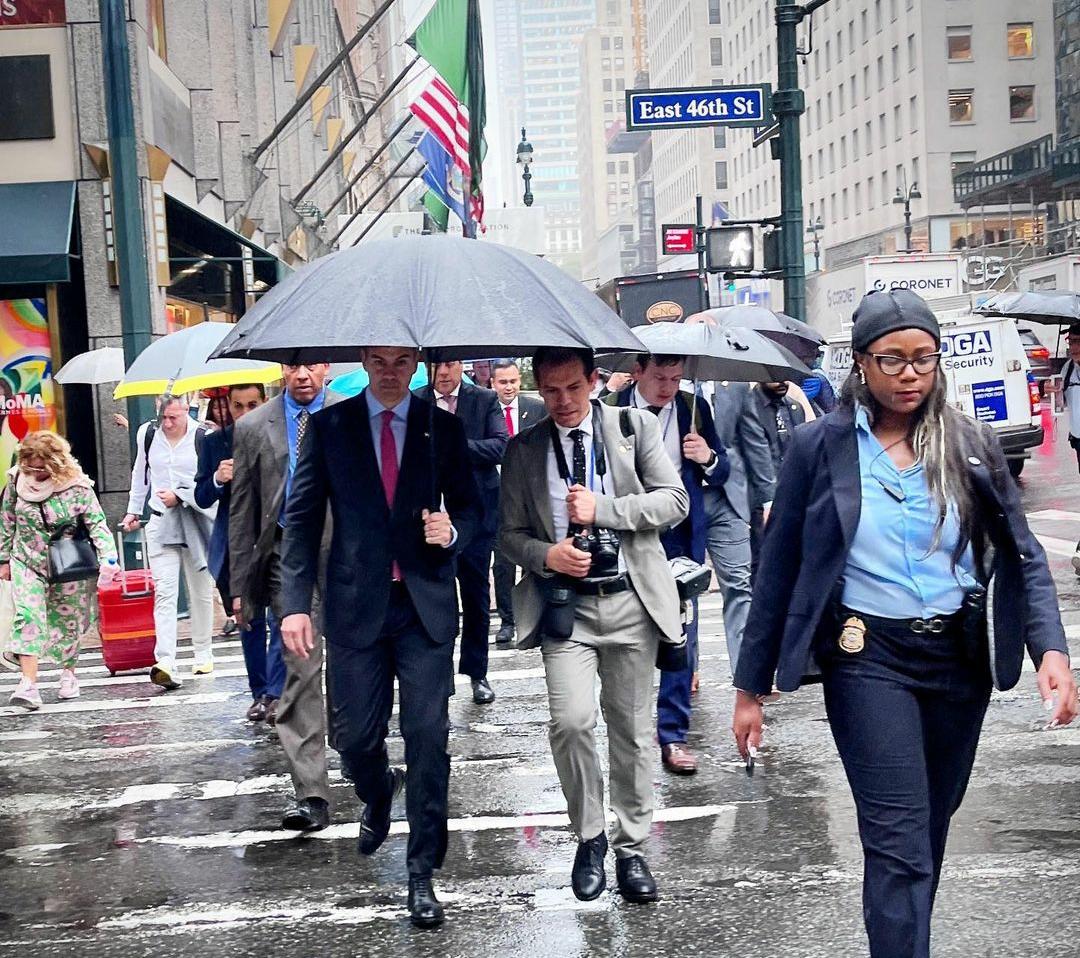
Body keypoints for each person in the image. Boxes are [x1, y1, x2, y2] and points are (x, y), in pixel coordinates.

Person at [732, 289, 1078, 958]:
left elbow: (1024, 554)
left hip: (958, 662)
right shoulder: (818, 446)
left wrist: (1051, 652)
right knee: (898, 843)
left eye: (924, 358)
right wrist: (750, 688)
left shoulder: (969, 441)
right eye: (892, 359)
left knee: (924, 833)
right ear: (861, 363)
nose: (910, 373)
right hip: (867, 659)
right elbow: (776, 570)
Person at [279, 345, 480, 929]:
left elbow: (473, 512)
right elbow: (302, 519)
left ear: (415, 363)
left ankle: (422, 871)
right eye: (379, 360)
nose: (390, 371)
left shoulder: (441, 428)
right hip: (354, 605)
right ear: (365, 362)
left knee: (427, 734)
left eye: (401, 361)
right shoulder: (330, 425)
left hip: (424, 607)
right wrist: (295, 604)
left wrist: (454, 531)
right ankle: (377, 789)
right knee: (355, 737)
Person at [499, 346, 688, 904]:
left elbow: (673, 501)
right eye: (550, 390)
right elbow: (506, 535)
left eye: (572, 389)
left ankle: (631, 848)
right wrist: (546, 555)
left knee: (630, 731)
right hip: (567, 609)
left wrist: (606, 509)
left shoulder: (634, 426)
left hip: (631, 602)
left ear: (594, 382)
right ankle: (590, 837)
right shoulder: (524, 450)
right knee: (572, 722)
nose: (561, 402)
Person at [607, 355, 728, 775]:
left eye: (676, 378)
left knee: (681, 636)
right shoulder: (612, 408)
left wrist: (707, 457)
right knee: (626, 634)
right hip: (627, 532)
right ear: (637, 371)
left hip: (679, 536)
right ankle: (629, 733)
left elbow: (723, 471)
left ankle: (673, 735)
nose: (668, 387)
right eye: (659, 377)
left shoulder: (696, 408)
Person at [230, 362, 335, 831]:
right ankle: (311, 793)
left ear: (326, 367)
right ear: (282, 370)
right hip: (285, 561)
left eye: (312, 365)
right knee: (301, 673)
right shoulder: (254, 426)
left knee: (358, 669)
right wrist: (238, 587)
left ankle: (362, 758)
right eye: (294, 366)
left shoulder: (349, 415)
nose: (303, 375)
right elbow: (243, 507)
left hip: (347, 559)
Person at [2, 432, 117, 709]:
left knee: (68, 622)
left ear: (55, 463)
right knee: (27, 617)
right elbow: (7, 519)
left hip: (67, 565)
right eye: (30, 465)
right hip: (26, 559)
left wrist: (109, 559)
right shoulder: (16, 480)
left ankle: (69, 673)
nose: (35, 472)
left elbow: (97, 524)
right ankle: (28, 685)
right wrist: (3, 558)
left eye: (41, 467)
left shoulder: (77, 486)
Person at [416, 360, 507, 704]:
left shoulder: (483, 399)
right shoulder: (418, 400)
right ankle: (438, 673)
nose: (443, 372)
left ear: (460, 367)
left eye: (450, 365)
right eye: (436, 365)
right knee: (435, 598)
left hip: (477, 514)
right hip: (430, 517)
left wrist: (453, 445)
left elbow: (499, 445)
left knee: (475, 595)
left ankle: (477, 671)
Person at [195, 383, 283, 723]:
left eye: (252, 404)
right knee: (249, 619)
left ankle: (276, 692)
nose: (244, 412)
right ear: (227, 407)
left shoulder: (278, 436)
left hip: (275, 538)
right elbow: (202, 495)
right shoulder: (214, 443)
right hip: (236, 543)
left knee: (279, 616)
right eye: (237, 406)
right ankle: (259, 692)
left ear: (264, 402)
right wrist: (218, 478)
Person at [121, 395, 216, 691]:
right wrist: (133, 510)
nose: (168, 423)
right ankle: (165, 660)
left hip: (194, 519)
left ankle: (203, 652)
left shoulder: (203, 436)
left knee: (200, 589)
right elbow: (141, 473)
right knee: (164, 591)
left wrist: (181, 495)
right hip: (161, 520)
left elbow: (210, 482)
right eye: (164, 417)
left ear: (186, 410)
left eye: (174, 417)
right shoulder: (147, 434)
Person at [705, 380, 777, 674]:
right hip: (681, 497)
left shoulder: (733, 385)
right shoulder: (666, 380)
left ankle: (747, 674)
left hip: (728, 497)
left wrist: (768, 496)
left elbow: (752, 438)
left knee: (738, 584)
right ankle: (685, 669)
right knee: (683, 586)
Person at [490, 358, 546, 645]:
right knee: (503, 562)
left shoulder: (535, 408)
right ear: (493, 383)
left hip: (532, 494)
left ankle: (534, 615)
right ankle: (508, 620)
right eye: (503, 382)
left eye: (513, 381)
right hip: (499, 495)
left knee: (533, 557)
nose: (509, 387)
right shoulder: (488, 410)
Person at [748, 380, 806, 577]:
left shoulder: (793, 406)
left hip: (792, 494)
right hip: (759, 499)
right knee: (763, 562)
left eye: (785, 375)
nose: (781, 380)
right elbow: (754, 455)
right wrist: (766, 500)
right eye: (774, 375)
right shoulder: (749, 406)